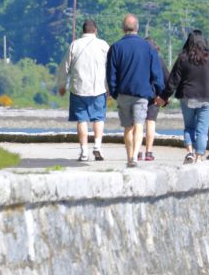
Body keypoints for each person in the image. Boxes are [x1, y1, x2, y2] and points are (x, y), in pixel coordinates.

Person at [106, 14, 165, 168]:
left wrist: (114, 92)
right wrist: (160, 92)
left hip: (123, 93)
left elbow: (111, 74)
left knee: (127, 127)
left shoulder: (116, 47)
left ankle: (129, 156)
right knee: (139, 124)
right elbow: (156, 73)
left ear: (123, 28)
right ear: (137, 28)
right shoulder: (148, 48)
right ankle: (135, 157)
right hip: (142, 94)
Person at [159, 30, 209, 164]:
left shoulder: (183, 58)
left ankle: (190, 152)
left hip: (187, 97)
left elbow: (173, 81)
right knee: (202, 130)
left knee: (189, 127)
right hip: (207, 99)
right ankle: (199, 157)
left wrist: (164, 97)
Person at [57, 20, 110, 162]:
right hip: (98, 88)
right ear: (95, 31)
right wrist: (111, 87)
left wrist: (62, 85)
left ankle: (84, 151)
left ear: (83, 31)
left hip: (78, 88)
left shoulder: (75, 45)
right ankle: (98, 146)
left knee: (82, 120)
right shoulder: (103, 45)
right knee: (99, 118)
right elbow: (111, 67)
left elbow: (65, 67)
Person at [136, 37, 169, 162]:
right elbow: (167, 78)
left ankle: (137, 151)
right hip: (155, 96)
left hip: (139, 95)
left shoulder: (137, 60)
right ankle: (149, 152)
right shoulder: (159, 60)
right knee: (151, 122)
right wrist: (164, 96)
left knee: (137, 123)